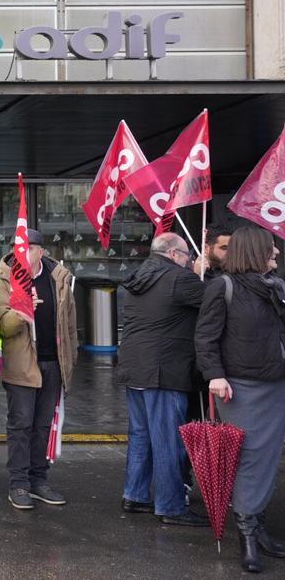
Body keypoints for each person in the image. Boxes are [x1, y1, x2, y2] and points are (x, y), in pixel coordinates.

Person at [195, 226, 285, 573]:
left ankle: (257, 527)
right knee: (248, 457)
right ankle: (247, 535)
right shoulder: (223, 286)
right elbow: (205, 337)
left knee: (266, 457)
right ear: (254, 252)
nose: (276, 255)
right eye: (271, 250)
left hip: (275, 385)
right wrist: (214, 375)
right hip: (240, 387)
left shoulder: (275, 287)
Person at [117, 232, 207, 526]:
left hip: (136, 367)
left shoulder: (138, 276)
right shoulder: (181, 278)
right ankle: (170, 506)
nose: (189, 261)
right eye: (187, 256)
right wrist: (200, 274)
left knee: (141, 435)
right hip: (165, 370)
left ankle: (136, 494)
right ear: (174, 254)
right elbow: (214, 304)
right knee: (168, 439)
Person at [0, 229, 79, 510]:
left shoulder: (59, 278)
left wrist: (70, 359)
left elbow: (69, 325)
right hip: (21, 361)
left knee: (43, 425)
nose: (21, 255)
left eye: (27, 250)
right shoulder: (3, 278)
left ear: (40, 251)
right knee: (21, 424)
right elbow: (3, 327)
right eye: (17, 249)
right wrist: (23, 311)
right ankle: (18, 484)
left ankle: (38, 480)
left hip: (52, 362)